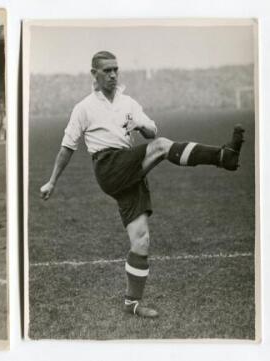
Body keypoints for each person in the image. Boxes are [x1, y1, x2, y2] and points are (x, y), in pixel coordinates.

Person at [39, 51, 244, 318]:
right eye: (106, 71)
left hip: (131, 171)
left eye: (115, 69)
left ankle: (132, 303)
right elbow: (67, 147)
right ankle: (223, 156)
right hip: (109, 167)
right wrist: (52, 181)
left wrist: (140, 126)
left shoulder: (129, 103)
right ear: (94, 74)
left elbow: (151, 131)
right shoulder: (84, 108)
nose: (112, 75)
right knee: (160, 148)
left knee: (141, 241)